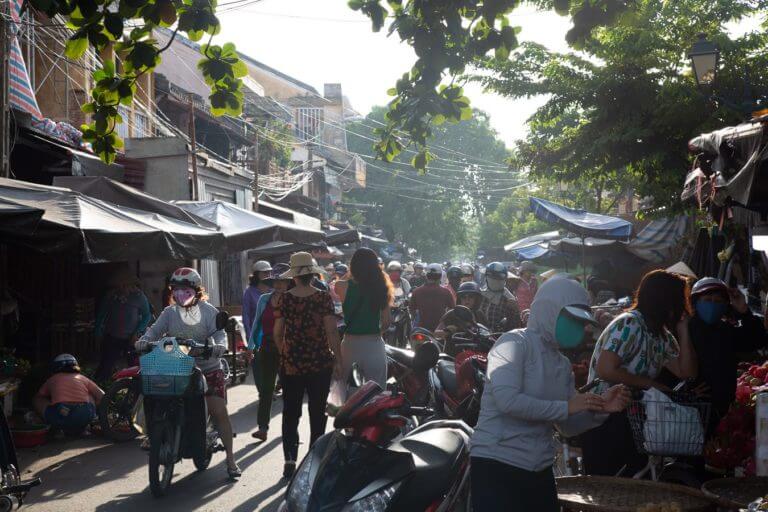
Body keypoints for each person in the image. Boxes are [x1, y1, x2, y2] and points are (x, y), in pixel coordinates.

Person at [471, 277, 631, 511]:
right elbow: (508, 402)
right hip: (497, 462)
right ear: (549, 311)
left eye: (581, 323)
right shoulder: (511, 343)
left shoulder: (562, 364)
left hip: (539, 466)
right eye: (572, 320)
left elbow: (566, 426)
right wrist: (567, 406)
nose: (579, 328)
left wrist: (600, 408)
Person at [580, 269, 698, 476]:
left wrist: (684, 329)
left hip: (634, 418)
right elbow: (606, 369)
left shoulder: (662, 336)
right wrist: (651, 384)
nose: (683, 304)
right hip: (604, 417)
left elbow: (686, 372)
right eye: (680, 299)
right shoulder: (630, 323)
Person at [136, 267, 241, 478]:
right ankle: (152, 433)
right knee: (151, 392)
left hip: (208, 368)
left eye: (185, 290)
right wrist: (144, 341)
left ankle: (231, 460)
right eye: (176, 289)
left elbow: (219, 335)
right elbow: (154, 331)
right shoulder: (169, 313)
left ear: (196, 291)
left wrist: (219, 346)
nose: (179, 294)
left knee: (218, 411)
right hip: (177, 368)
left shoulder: (209, 311)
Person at [273, 252, 341, 479]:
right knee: (317, 411)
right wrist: (338, 360)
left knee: (290, 412)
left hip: (291, 364)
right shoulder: (322, 298)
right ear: (312, 274)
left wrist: (285, 353)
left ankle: (289, 459)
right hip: (319, 362)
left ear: (294, 276)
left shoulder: (285, 298)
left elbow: (277, 332)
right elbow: (332, 331)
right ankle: (314, 457)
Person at [687, 278, 767, 427]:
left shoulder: (726, 331)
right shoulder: (685, 330)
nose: (712, 304)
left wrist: (744, 311)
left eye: (718, 301)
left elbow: (757, 340)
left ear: (725, 306)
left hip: (722, 409)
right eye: (708, 299)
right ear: (696, 303)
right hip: (691, 408)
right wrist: (685, 389)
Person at [335, 248, 392, 389]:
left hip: (349, 345)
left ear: (352, 265)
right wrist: (377, 333)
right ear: (375, 266)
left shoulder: (341, 286)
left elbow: (346, 279)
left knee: (343, 390)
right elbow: (386, 321)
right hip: (373, 345)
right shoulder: (381, 287)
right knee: (376, 392)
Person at [247, 264, 291, 442]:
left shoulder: (293, 300)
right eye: (276, 281)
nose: (279, 285)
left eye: (283, 282)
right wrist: (250, 346)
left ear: (289, 283)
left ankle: (289, 428)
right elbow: (257, 323)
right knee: (266, 390)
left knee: (290, 390)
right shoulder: (264, 299)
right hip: (266, 348)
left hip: (288, 350)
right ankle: (262, 428)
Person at [94, 267, 152, 382]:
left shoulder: (139, 297)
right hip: (112, 336)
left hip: (131, 338)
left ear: (131, 285)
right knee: (106, 365)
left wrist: (137, 333)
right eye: (119, 286)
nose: (121, 288)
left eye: (124, 285)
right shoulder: (111, 296)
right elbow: (101, 315)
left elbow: (147, 316)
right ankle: (102, 389)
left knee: (135, 366)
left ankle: (137, 389)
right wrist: (98, 333)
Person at [35, 354, 104, 436]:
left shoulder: (52, 379)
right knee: (90, 394)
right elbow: (102, 395)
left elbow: (40, 395)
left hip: (61, 414)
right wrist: (92, 408)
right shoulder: (82, 378)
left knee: (38, 399)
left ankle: (57, 428)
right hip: (85, 415)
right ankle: (83, 427)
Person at [410, 263, 456, 332]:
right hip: (440, 330)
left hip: (421, 329)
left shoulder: (417, 291)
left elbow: (412, 311)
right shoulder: (446, 292)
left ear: (426, 276)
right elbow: (452, 310)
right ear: (440, 276)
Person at [479, 262, 522, 333]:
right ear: (486, 277)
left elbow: (515, 326)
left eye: (498, 277)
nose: (495, 280)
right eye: (492, 277)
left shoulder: (509, 299)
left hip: (499, 338)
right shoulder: (480, 294)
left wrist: (515, 310)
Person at [242, 261, 273, 343]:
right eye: (265, 272)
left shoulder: (273, 290)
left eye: (269, 272)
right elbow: (246, 315)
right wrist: (249, 335)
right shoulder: (249, 292)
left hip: (273, 334)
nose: (268, 275)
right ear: (257, 274)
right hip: (257, 334)